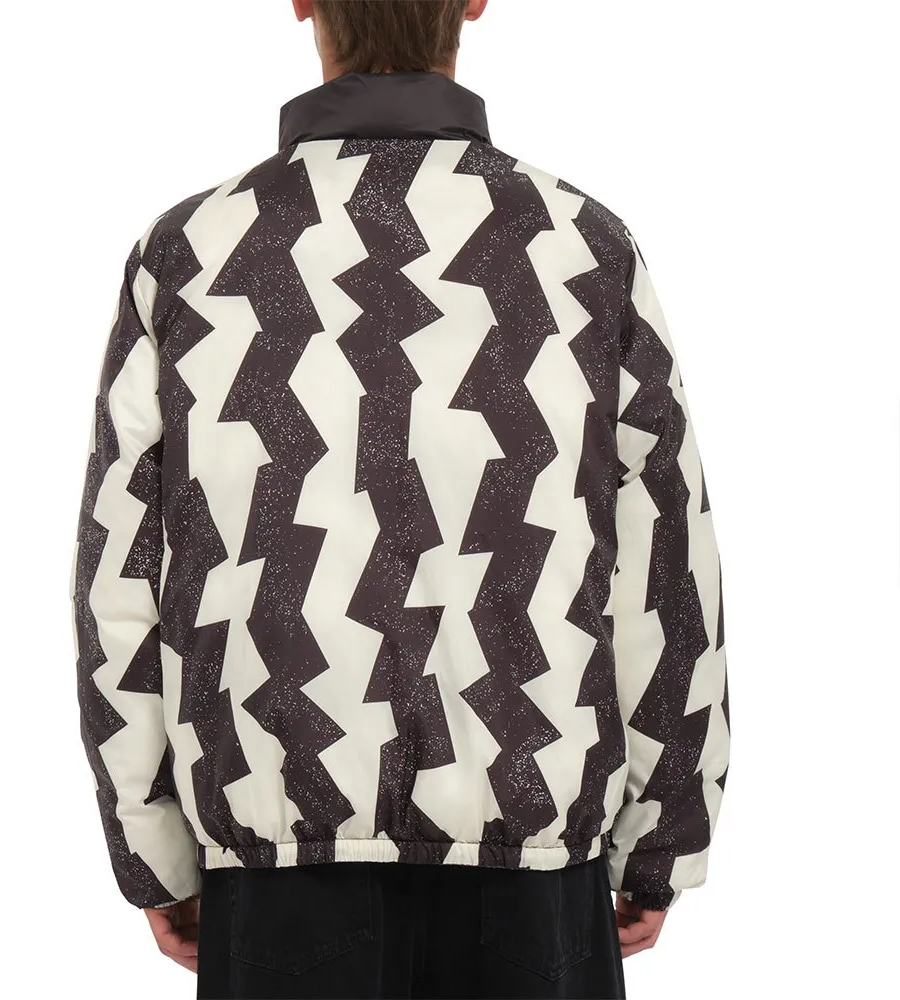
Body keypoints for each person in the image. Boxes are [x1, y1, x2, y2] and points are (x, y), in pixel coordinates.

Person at [67, 1, 731, 997]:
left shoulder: (191, 254)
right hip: (532, 862)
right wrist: (660, 836)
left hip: (276, 858)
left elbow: (121, 574)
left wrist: (153, 844)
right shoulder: (582, 247)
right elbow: (664, 563)